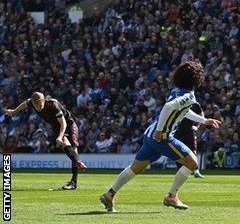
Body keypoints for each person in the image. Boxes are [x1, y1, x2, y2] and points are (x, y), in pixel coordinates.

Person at [99, 61, 221, 212]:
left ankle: (109, 194)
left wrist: (204, 120)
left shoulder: (177, 91)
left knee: (135, 168)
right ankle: (172, 196)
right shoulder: (189, 96)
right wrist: (160, 130)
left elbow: (183, 111)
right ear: (197, 79)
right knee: (192, 163)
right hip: (162, 136)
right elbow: (168, 107)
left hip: (151, 134)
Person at [5, 92, 87, 190]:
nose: (38, 108)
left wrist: (60, 136)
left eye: (40, 105)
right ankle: (77, 162)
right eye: (36, 106)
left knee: (71, 147)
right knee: (65, 144)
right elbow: (24, 104)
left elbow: (63, 123)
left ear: (44, 101)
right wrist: (13, 111)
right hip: (56, 126)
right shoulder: (32, 102)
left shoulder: (53, 105)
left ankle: (74, 181)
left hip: (69, 125)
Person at [173, 102, 205, 178]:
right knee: (178, 152)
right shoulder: (178, 103)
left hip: (190, 131)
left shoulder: (195, 104)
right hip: (178, 132)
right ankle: (179, 170)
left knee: (193, 151)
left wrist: (197, 126)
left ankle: (196, 171)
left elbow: (202, 116)